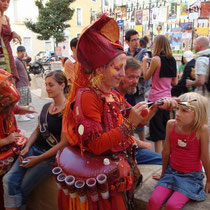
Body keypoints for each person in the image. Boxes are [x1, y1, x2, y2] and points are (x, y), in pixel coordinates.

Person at [57, 15, 177, 210]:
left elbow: (137, 120)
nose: (122, 75)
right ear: (100, 69)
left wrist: (156, 107)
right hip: (103, 180)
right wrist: (129, 124)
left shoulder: (111, 94)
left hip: (120, 172)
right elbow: (95, 145)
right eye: (117, 68)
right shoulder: (88, 97)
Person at [3, 70, 68, 210]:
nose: (47, 88)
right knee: (8, 180)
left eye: (51, 85)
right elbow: (38, 129)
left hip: (49, 156)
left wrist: (38, 159)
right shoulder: (46, 106)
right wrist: (27, 147)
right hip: (33, 149)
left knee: (22, 187)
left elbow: (64, 143)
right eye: (46, 84)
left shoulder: (68, 111)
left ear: (62, 86)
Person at [148, 92, 210, 210]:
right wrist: (163, 173)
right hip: (171, 172)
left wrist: (209, 180)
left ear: (197, 115)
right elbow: (166, 152)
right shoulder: (171, 125)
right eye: (178, 109)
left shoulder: (202, 130)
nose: (177, 114)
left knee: (172, 205)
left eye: (184, 111)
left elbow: (205, 157)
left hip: (191, 177)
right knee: (153, 201)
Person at [0, 69, 36, 210]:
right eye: (7, 104)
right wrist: (6, 140)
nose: (10, 108)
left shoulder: (6, 104)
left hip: (11, 145)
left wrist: (25, 109)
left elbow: (13, 108)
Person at [117, 56, 162, 165]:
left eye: (137, 77)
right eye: (131, 77)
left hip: (127, 148)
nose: (135, 81)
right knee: (164, 160)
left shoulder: (121, 98)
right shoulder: (113, 97)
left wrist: (156, 106)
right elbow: (117, 136)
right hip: (120, 152)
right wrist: (141, 144)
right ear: (120, 75)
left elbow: (142, 122)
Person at [142, 35, 178, 153]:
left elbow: (146, 76)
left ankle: (158, 161)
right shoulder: (172, 60)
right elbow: (175, 81)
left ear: (157, 45)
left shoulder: (156, 59)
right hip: (168, 99)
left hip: (156, 100)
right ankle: (165, 159)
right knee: (164, 131)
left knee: (157, 134)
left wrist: (144, 63)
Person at [186, 36, 210, 129]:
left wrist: (191, 83)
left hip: (203, 95)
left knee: (202, 122)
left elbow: (201, 81)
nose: (193, 46)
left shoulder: (201, 59)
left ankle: (203, 142)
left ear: (200, 45)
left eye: (195, 44)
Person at [0, 0, 22, 81]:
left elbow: (6, 39)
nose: (6, 4)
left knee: (11, 83)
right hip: (1, 55)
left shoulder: (6, 18)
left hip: (8, 54)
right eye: (3, 1)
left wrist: (13, 33)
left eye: (8, 1)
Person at [15, 46, 34, 122]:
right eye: (21, 52)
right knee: (22, 100)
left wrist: (29, 80)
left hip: (25, 83)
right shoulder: (16, 61)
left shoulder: (23, 61)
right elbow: (14, 73)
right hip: (20, 84)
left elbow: (26, 72)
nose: (23, 53)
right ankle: (21, 116)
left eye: (23, 51)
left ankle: (27, 112)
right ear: (17, 52)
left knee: (27, 99)